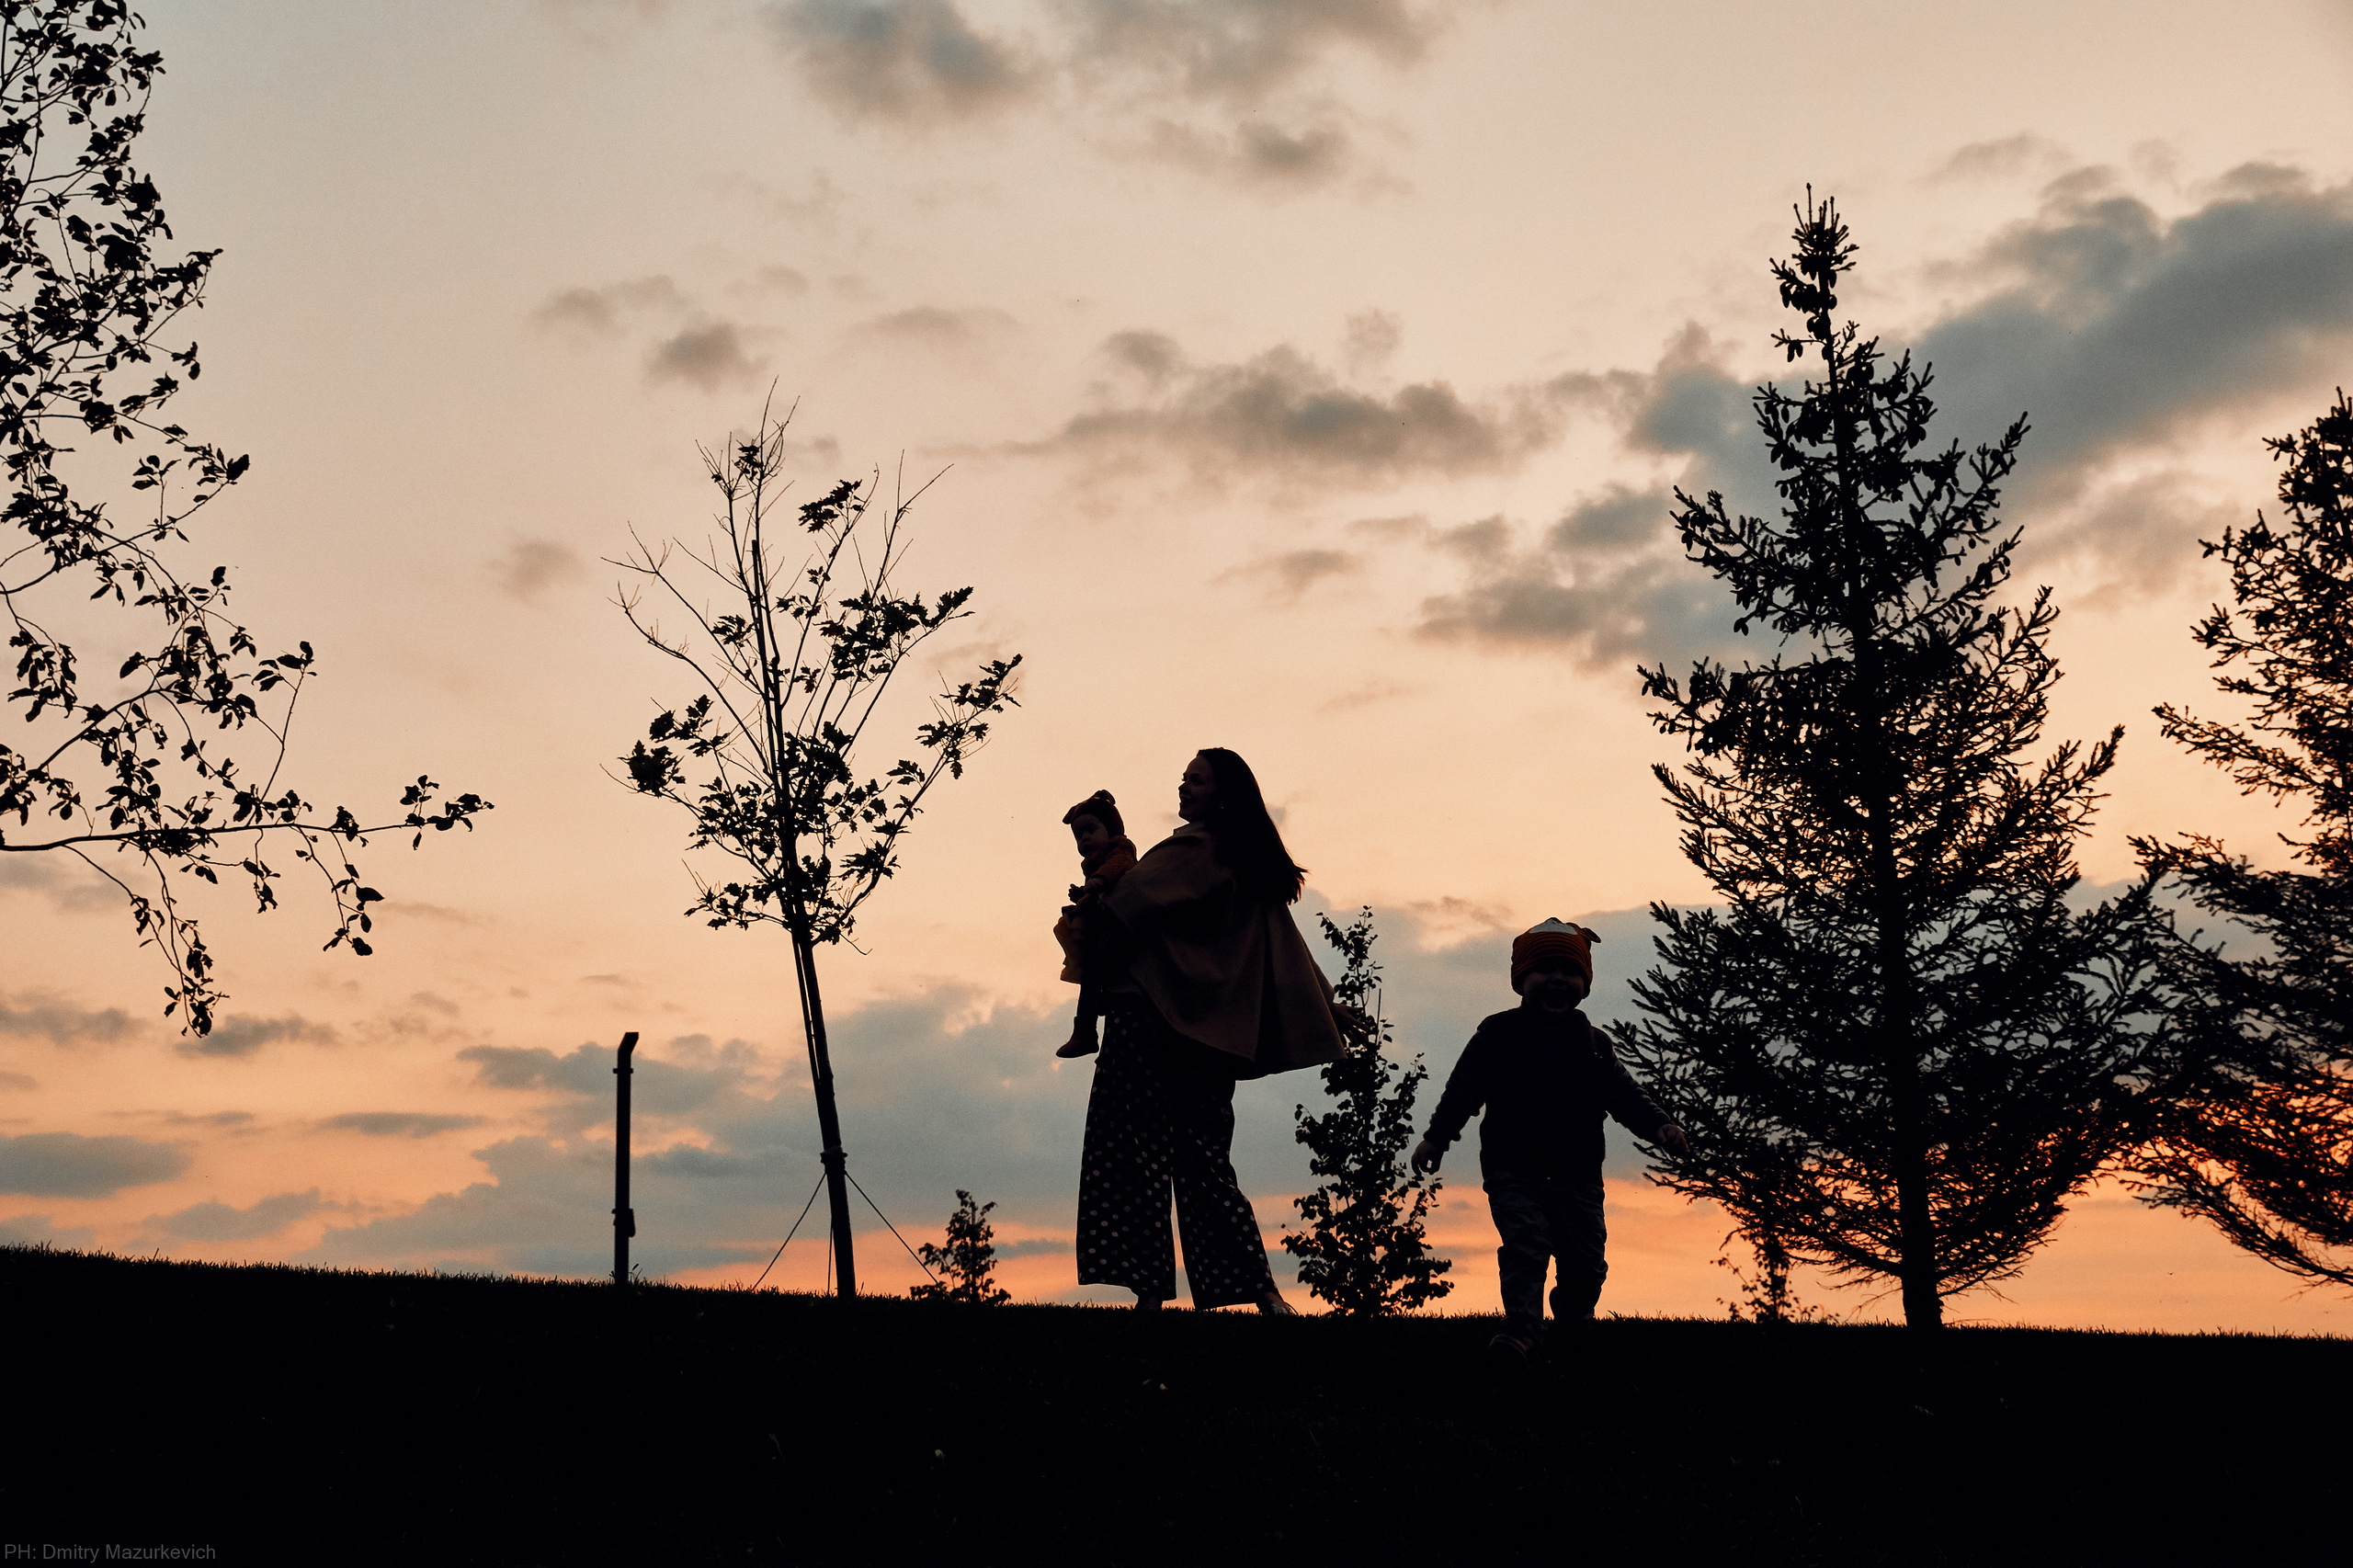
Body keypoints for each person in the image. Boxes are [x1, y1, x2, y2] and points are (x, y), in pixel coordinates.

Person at [1076, 748, 1345, 1313]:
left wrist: (1095, 902)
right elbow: (1287, 946)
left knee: (1133, 1154)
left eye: (1195, 780)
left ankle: (1150, 1293)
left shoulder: (1193, 848)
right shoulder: (1249, 861)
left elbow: (1124, 908)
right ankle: (1261, 1292)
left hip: (1148, 1020)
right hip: (1208, 1038)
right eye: (1183, 779)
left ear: (1223, 793)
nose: (1184, 788)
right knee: (1205, 1163)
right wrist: (1330, 1004)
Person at [1410, 917, 1691, 1359]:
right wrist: (1436, 1138)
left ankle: (1575, 1317)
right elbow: (1463, 1089)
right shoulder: (1497, 1034)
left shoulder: (1594, 1044)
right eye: (1545, 971)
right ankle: (1522, 1329)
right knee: (1526, 1245)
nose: (1558, 980)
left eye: (1571, 972)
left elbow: (1624, 1094)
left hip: (1577, 1174)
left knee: (1585, 1257)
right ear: (1521, 980)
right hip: (1513, 1170)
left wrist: (1659, 1125)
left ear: (1586, 983)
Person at [1051, 790, 1138, 1059]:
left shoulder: (1120, 848)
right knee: (1090, 977)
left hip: (1116, 930)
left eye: (1091, 829)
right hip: (1101, 930)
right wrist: (1085, 893)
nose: (1085, 838)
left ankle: (1086, 1029)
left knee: (1094, 974)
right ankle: (1086, 1028)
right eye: (1079, 835)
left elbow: (1118, 868)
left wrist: (1096, 885)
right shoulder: (1093, 864)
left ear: (1110, 830)